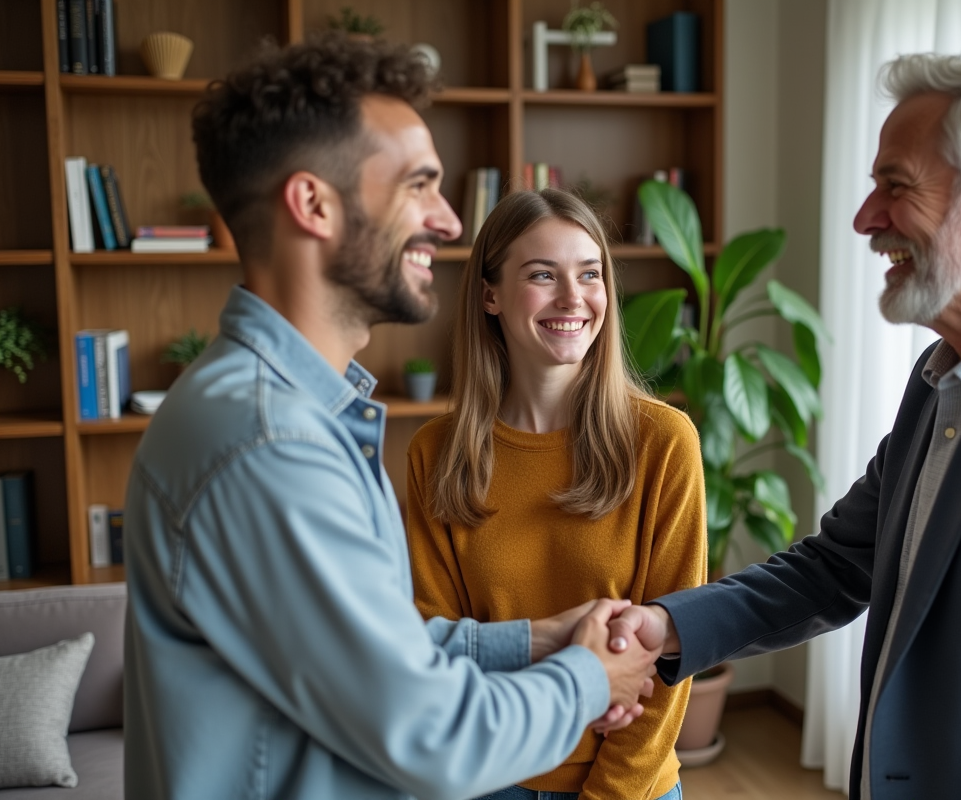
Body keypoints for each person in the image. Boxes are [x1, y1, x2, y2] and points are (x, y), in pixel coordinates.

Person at [609, 43, 961, 799]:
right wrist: (668, 627)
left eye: (895, 185)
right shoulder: (938, 381)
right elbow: (835, 566)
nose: (864, 218)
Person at [123, 35, 659, 800]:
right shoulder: (271, 445)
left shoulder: (299, 413)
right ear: (314, 204)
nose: (446, 220)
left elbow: (376, 646)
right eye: (419, 185)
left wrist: (536, 640)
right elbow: (433, 734)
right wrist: (588, 676)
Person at [406, 188, 707, 800]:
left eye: (590, 274)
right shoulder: (435, 454)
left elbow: (672, 657)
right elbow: (430, 643)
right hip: (486, 777)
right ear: (490, 295)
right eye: (543, 275)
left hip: (629, 786)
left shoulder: (664, 442)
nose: (574, 299)